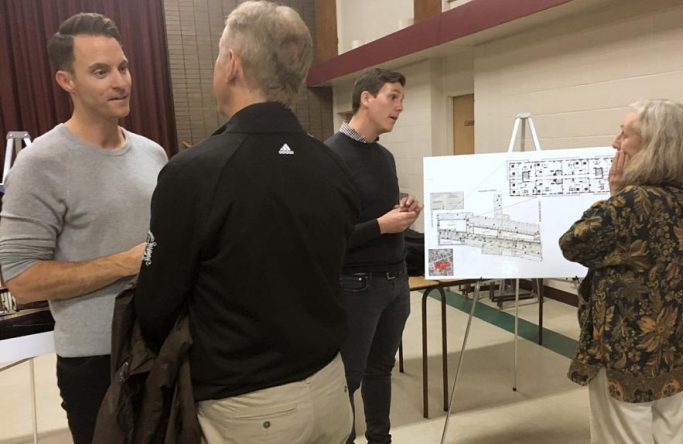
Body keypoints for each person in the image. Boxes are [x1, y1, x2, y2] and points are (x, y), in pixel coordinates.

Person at [133, 2, 359, 443]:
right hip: (332, 389)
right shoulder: (331, 166)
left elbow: (155, 306)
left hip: (249, 408)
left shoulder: (193, 173)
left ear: (231, 64)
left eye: (219, 55)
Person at [0, 13, 167, 444]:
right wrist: (124, 263)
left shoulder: (152, 154)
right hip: (94, 362)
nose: (120, 81)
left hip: (159, 345)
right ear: (65, 80)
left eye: (123, 67)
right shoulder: (40, 165)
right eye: (100, 71)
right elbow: (22, 281)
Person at [559, 99, 683, 444]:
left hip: (627, 350)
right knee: (668, 430)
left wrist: (614, 194)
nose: (615, 142)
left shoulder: (635, 201)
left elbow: (574, 243)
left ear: (654, 144)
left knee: (622, 435)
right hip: (675, 344)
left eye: (625, 133)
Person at [324, 68, 423, 444]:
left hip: (396, 281)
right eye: (393, 97)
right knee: (348, 378)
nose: (399, 107)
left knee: (381, 370)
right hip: (356, 286)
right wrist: (382, 225)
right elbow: (328, 235)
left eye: (402, 100)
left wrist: (404, 211)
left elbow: (378, 213)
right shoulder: (329, 156)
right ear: (366, 97)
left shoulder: (384, 157)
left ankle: (380, 439)